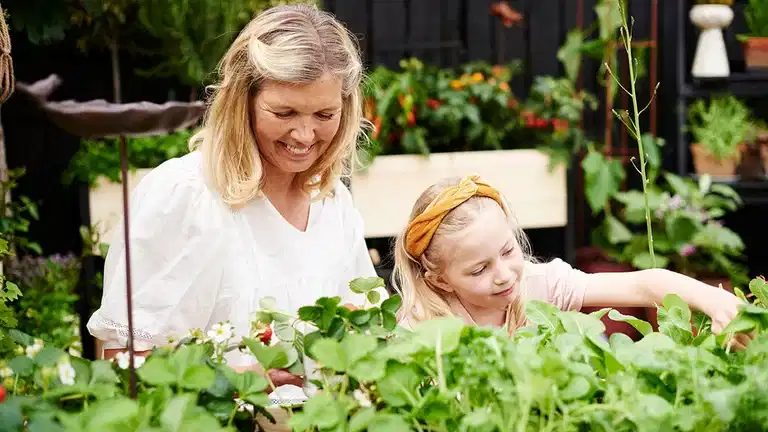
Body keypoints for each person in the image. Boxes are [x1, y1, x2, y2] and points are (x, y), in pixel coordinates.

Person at [87, 4, 387, 388]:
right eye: (284, 113)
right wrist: (238, 380)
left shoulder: (330, 201)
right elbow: (123, 363)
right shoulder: (184, 194)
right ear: (242, 101)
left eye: (325, 116)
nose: (305, 135)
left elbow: (366, 328)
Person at [392, 174, 752, 349]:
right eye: (479, 270)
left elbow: (644, 284)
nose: (503, 276)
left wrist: (716, 300)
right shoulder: (420, 325)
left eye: (507, 252)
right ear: (439, 279)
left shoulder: (540, 284)